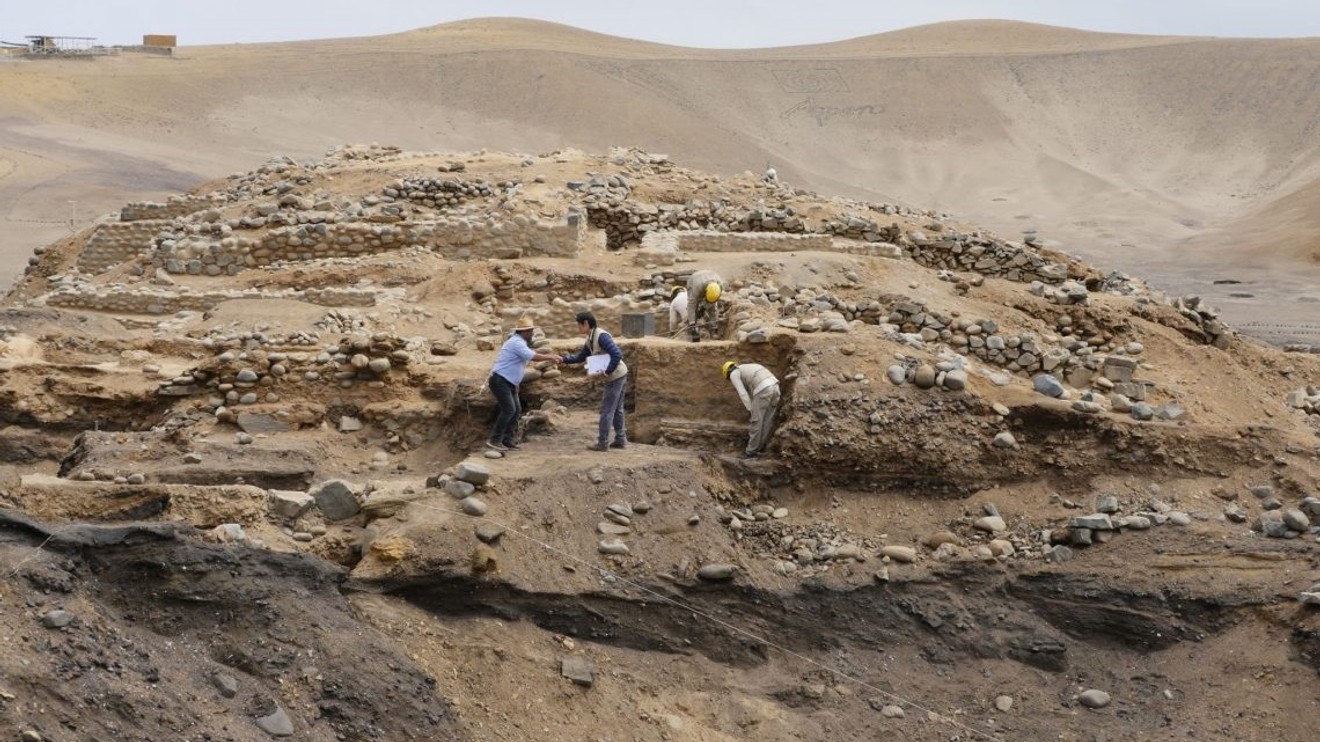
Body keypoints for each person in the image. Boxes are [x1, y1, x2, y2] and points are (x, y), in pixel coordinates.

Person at [486, 316, 560, 452]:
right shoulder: (517, 342)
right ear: (524, 332)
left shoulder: (519, 342)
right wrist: (550, 357)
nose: (532, 334)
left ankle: (508, 440)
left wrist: (516, 382)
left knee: (516, 410)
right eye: (530, 331)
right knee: (509, 410)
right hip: (500, 380)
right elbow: (532, 356)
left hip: (508, 381)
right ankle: (495, 440)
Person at [561, 311, 628, 451]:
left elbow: (617, 354)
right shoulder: (590, 339)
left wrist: (608, 370)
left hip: (615, 376)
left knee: (607, 410)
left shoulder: (601, 336)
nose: (578, 327)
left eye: (579, 325)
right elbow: (581, 356)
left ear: (586, 323)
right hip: (620, 374)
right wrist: (563, 359)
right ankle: (620, 439)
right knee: (617, 409)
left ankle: (603, 443)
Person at [722, 361, 780, 459]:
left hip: (763, 389)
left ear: (727, 373)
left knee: (756, 422)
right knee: (767, 421)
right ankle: (761, 448)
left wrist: (751, 409)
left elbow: (743, 393)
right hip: (775, 387)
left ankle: (751, 452)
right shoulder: (748, 367)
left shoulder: (733, 373)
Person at [685, 269, 723, 342]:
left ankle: (714, 328)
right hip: (694, 280)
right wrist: (692, 324)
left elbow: (712, 302)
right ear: (705, 292)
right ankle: (693, 328)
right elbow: (691, 305)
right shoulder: (697, 288)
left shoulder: (720, 286)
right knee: (695, 305)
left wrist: (704, 308)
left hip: (710, 276)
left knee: (712, 308)